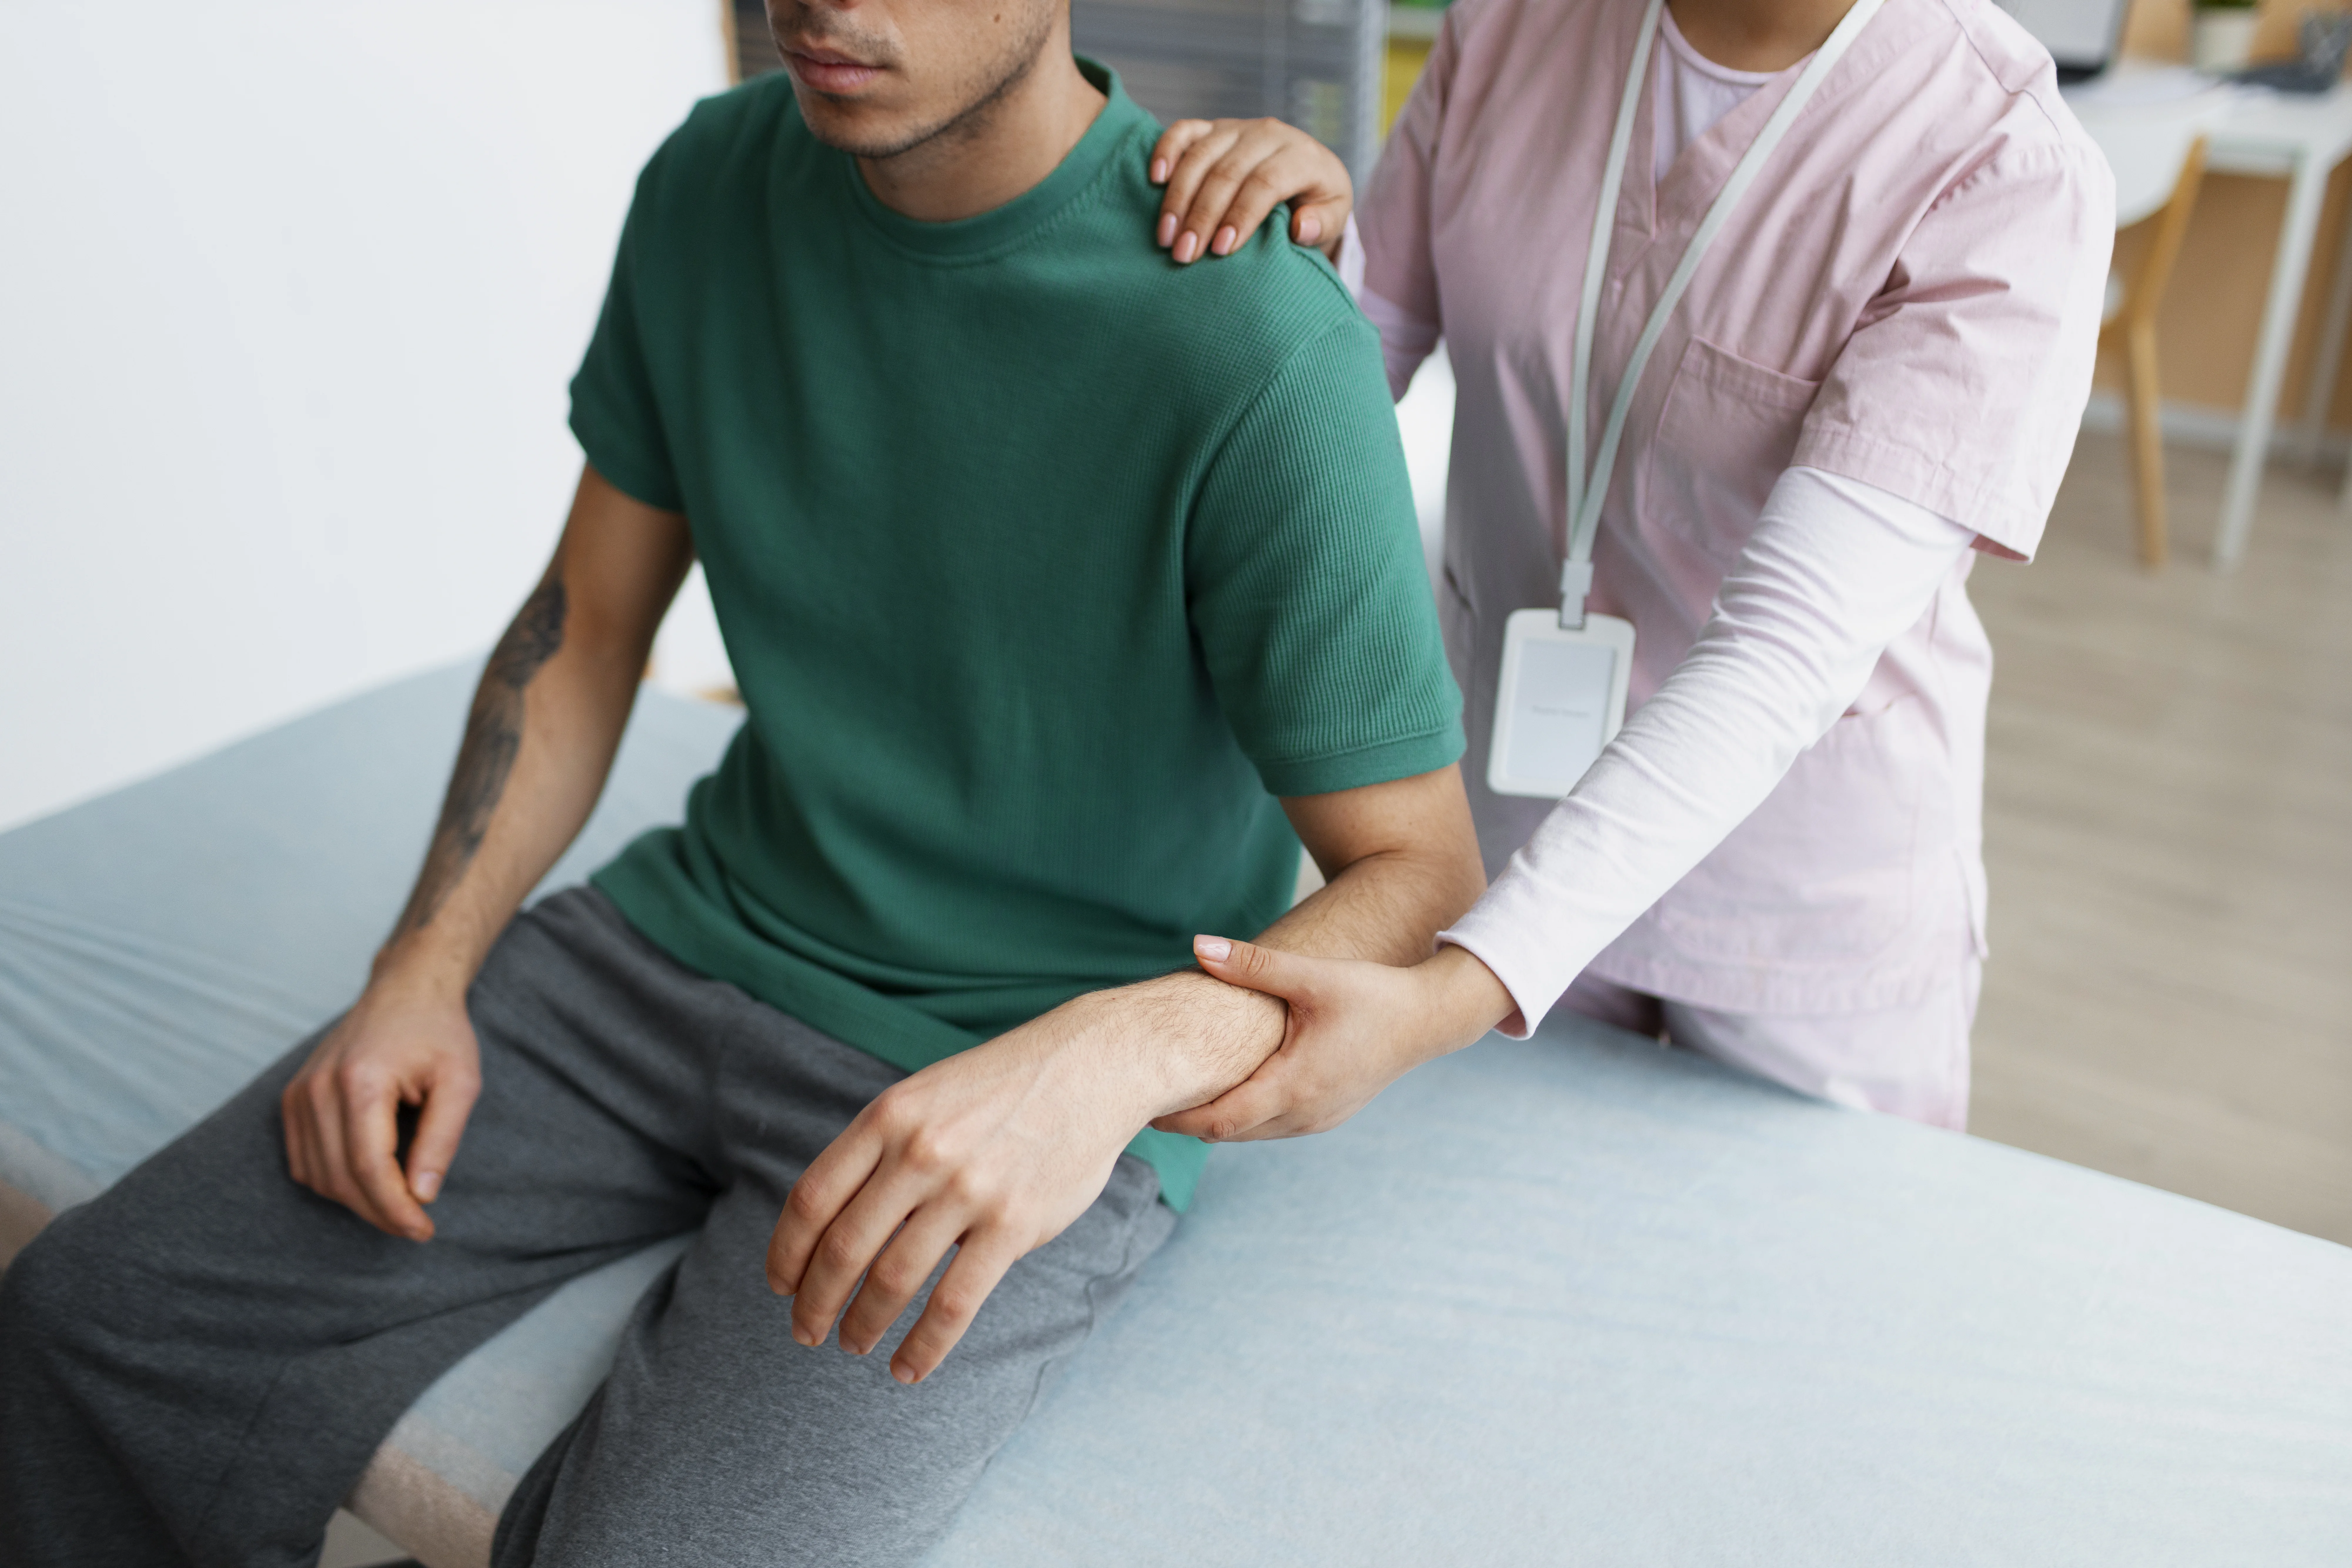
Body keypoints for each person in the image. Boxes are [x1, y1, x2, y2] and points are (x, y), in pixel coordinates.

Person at [0, 0, 1483, 1559]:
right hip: (677, 946)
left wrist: (1106, 1067)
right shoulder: (713, 179)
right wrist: (420, 965)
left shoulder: (1248, 330)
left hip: (1001, 1063)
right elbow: (585, 631)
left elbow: (1417, 869)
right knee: (92, 1325)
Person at [1135, 0, 2112, 1144]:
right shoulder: (1512, 29)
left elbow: (1780, 652)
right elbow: (1336, 391)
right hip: (1499, 819)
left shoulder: (1998, 160)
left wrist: (1452, 994)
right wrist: (1300, 247)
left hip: (1789, 897)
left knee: (1786, 1294)